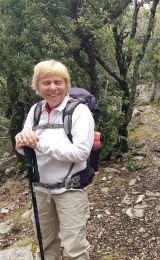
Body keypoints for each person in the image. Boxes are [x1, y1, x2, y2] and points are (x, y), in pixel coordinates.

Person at [15, 60, 94, 259]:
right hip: (40, 190)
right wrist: (21, 141)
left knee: (74, 248)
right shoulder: (35, 111)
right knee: (45, 244)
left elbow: (81, 153)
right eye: (46, 82)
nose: (52, 88)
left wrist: (38, 144)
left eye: (58, 82)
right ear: (37, 86)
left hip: (70, 190)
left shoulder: (79, 112)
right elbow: (27, 148)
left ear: (66, 84)